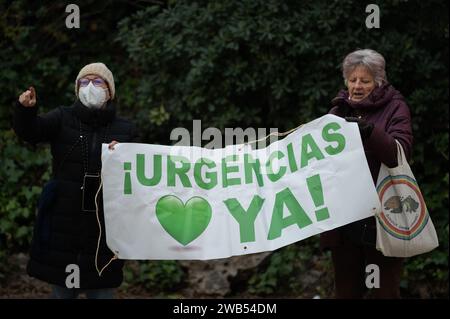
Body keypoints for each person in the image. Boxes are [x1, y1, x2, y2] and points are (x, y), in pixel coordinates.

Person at [13, 62, 138, 299]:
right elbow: (31, 131)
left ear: (110, 91)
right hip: (64, 223)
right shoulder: (62, 118)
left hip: (103, 228)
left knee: (102, 292)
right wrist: (25, 111)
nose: (90, 86)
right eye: (84, 82)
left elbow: (139, 174)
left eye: (97, 81)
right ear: (77, 89)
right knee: (62, 292)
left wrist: (125, 153)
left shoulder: (125, 129)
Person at [320, 49, 413, 298]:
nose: (357, 86)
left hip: (384, 218)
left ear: (379, 82)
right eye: (353, 80)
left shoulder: (395, 108)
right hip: (346, 221)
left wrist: (370, 132)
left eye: (365, 80)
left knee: (385, 292)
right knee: (346, 292)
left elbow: (399, 154)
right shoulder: (337, 112)